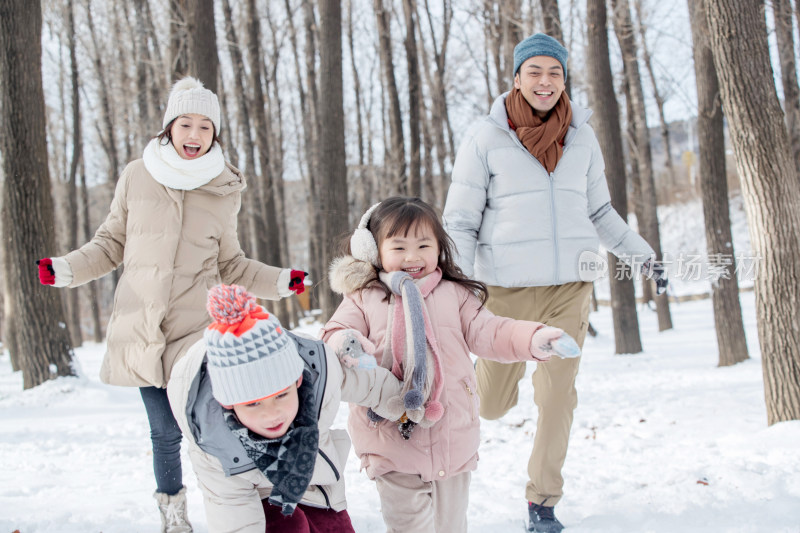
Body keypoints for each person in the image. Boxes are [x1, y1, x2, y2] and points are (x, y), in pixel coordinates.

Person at [35, 77, 307, 533]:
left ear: (214, 135)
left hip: (193, 335)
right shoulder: (136, 175)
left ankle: (250, 505)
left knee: (216, 429)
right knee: (164, 433)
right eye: (186, 123)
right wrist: (65, 269)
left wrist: (280, 281)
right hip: (142, 330)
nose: (195, 134)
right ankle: (174, 517)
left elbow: (232, 263)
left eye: (205, 126)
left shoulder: (223, 188)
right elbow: (109, 244)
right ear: (170, 127)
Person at [442, 33, 666, 532]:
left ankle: (542, 501)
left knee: (557, 395)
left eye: (556, 73)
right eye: (536, 72)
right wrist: (457, 280)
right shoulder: (485, 138)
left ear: (565, 80)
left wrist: (643, 257)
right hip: (507, 294)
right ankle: (476, 385)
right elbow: (459, 220)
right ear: (517, 77)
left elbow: (600, 210)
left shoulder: (581, 136)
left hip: (570, 288)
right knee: (495, 405)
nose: (546, 82)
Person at [319, 196, 581, 533]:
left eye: (423, 245)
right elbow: (336, 331)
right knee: (411, 527)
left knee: (450, 526)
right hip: (391, 439)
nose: (412, 257)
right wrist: (346, 344)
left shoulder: (455, 295)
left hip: (452, 437)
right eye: (398, 247)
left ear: (439, 248)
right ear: (374, 251)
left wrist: (534, 338)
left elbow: (492, 331)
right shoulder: (365, 296)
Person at [167, 284, 402, 532]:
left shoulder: (319, 371)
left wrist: (405, 404)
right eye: (254, 403)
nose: (272, 414)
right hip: (255, 492)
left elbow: (369, 384)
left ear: (298, 380)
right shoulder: (212, 440)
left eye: (281, 396)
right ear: (229, 404)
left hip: (311, 476)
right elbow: (232, 512)